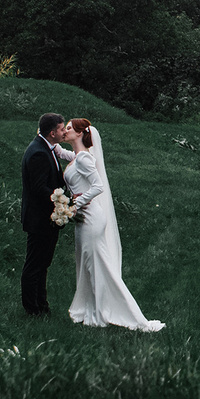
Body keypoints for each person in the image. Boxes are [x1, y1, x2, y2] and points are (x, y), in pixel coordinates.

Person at [59, 117, 165, 332]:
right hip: (84, 217)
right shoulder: (78, 156)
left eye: (69, 128)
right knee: (87, 264)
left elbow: (98, 186)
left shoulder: (84, 159)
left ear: (80, 133)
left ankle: (116, 313)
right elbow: (65, 155)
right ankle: (91, 307)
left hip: (90, 216)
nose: (65, 131)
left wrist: (76, 203)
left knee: (97, 264)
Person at [18, 111, 69, 316]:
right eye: (61, 128)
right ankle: (32, 309)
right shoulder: (39, 152)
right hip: (40, 219)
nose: (64, 131)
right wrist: (63, 203)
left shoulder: (47, 148)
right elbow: (40, 188)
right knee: (35, 265)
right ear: (51, 132)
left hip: (46, 219)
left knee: (43, 264)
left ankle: (42, 305)